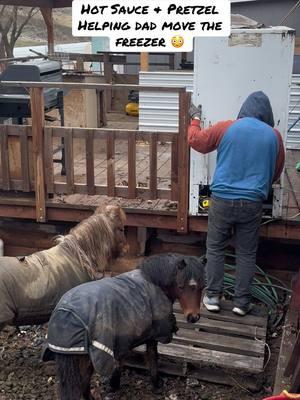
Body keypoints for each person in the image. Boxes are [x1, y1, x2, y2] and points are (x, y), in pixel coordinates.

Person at [188, 91, 285, 316]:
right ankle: (241, 303)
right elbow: (276, 172)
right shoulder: (274, 136)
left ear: (244, 110)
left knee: (215, 248)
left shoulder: (226, 127)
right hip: (252, 203)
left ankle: (212, 297)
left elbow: (196, 141)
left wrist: (194, 119)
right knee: (246, 253)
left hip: (221, 199)